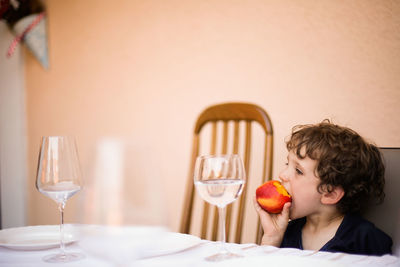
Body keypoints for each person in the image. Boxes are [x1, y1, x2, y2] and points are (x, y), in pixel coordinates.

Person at [254, 120, 393, 256]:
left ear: (330, 194)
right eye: (287, 164)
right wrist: (271, 240)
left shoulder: (365, 240)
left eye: (298, 171)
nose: (282, 175)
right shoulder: (285, 233)